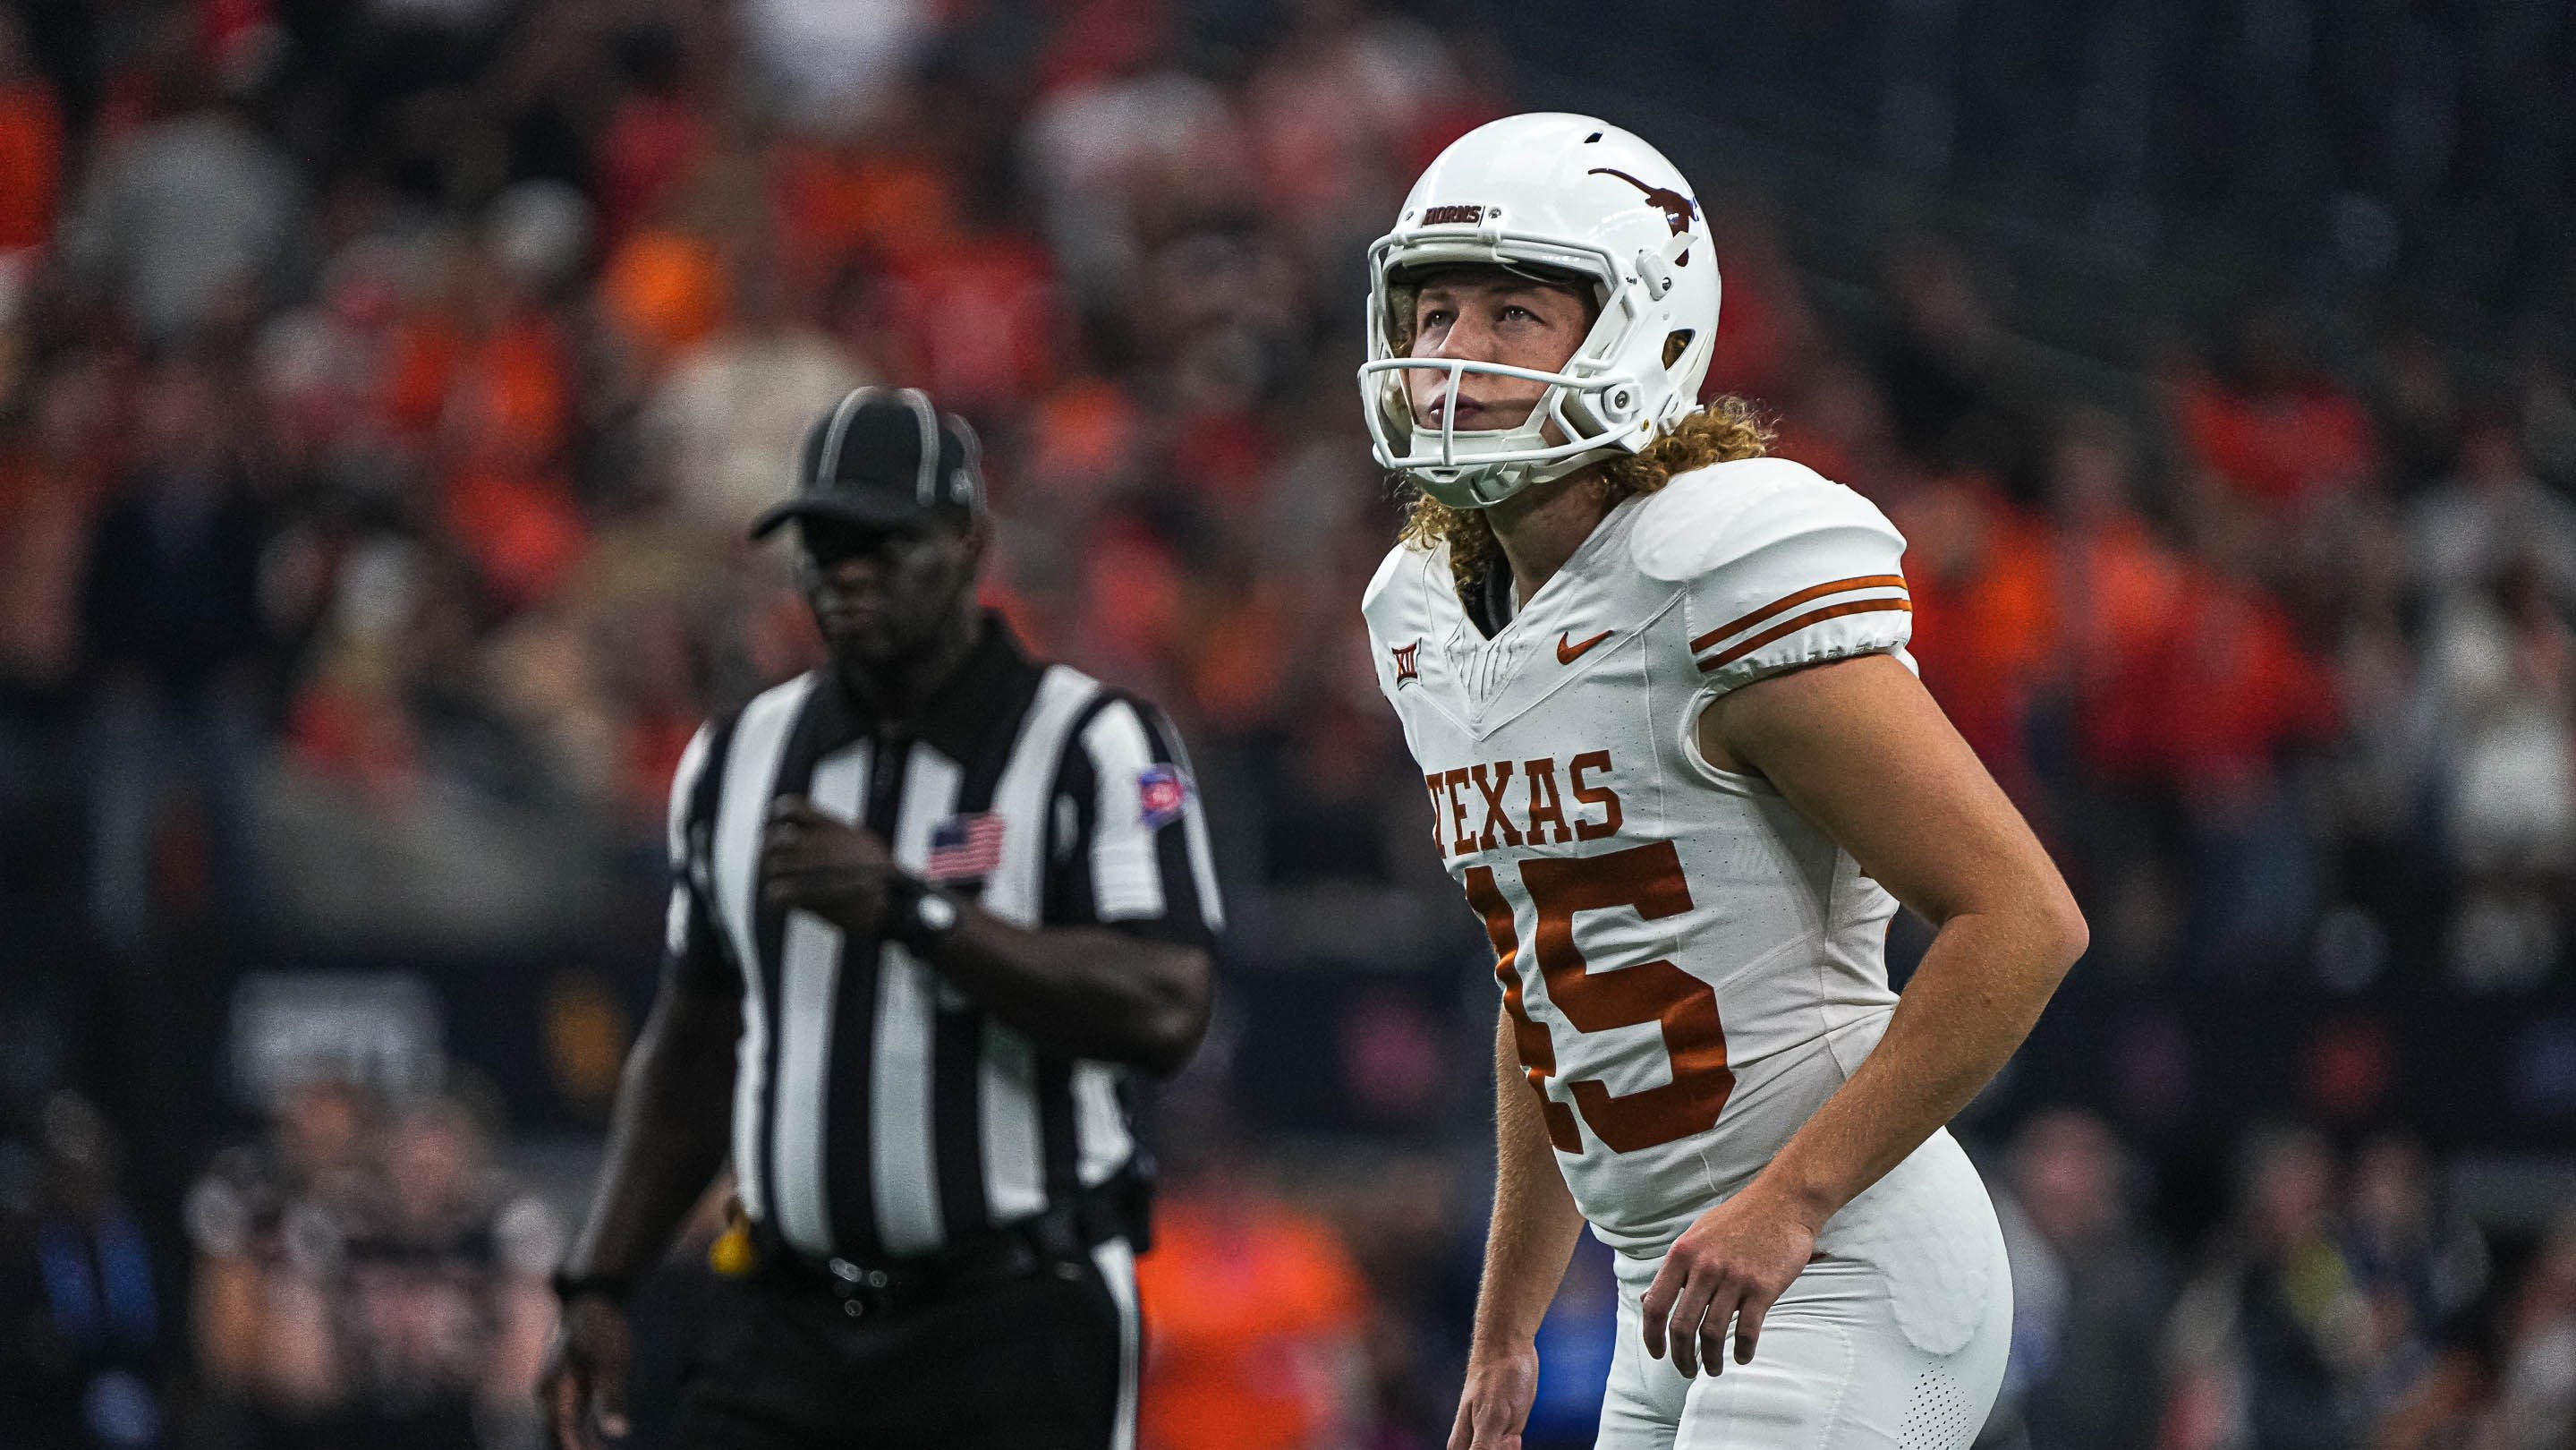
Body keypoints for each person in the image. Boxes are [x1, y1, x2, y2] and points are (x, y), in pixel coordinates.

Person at [1353, 114, 2088, 1450]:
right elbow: (1550, 995)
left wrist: (1792, 1200)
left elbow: (2023, 919)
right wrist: (1507, 1319)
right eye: (1434, 307)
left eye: (1513, 313)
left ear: (1639, 331)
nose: (1452, 353)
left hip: (1842, 1256)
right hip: (1674, 1285)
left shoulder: (1711, 567)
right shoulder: (1427, 613)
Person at [540, 387, 1222, 1450]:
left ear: (965, 543)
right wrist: (598, 1279)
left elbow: (1167, 1004)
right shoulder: (737, 759)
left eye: (880, 541)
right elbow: (692, 1047)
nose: (845, 570)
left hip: (1011, 1318)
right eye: (822, 542)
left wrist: (915, 913)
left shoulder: (1091, 742)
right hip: (784, 1318)